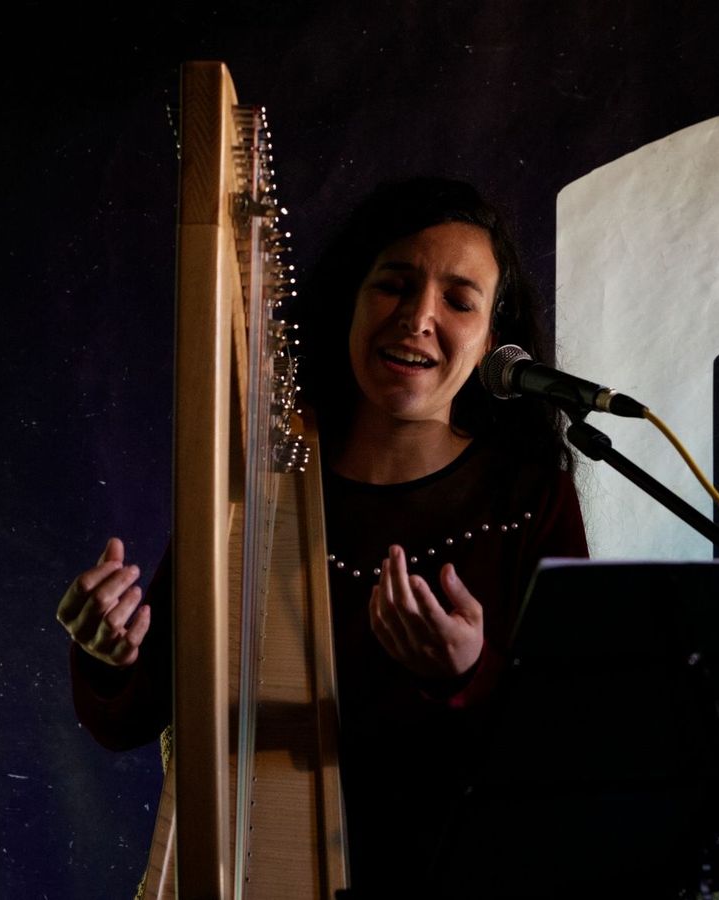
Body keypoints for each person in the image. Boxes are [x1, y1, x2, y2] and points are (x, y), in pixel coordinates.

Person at [56, 177, 589, 892]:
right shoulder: (253, 489)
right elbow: (134, 718)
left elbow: (567, 753)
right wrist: (107, 657)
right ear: (351, 302)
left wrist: (467, 674)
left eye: (458, 300)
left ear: (495, 340)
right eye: (394, 285)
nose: (418, 317)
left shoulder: (529, 499)